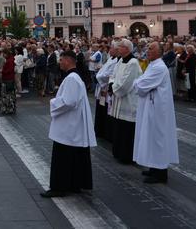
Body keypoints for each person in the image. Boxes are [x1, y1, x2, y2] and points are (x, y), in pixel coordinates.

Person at [41, 50, 96, 198]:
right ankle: (73, 184)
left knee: (63, 157)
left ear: (68, 60)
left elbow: (69, 102)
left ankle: (59, 187)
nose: (59, 63)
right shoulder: (74, 77)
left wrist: (52, 102)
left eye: (61, 60)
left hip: (68, 126)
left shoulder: (72, 78)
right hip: (72, 123)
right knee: (71, 156)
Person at [133, 42, 179, 184]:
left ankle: (160, 172)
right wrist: (139, 83)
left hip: (158, 109)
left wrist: (138, 83)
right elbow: (141, 83)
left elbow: (141, 85)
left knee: (158, 138)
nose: (148, 50)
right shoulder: (153, 65)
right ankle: (154, 167)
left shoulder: (159, 67)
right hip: (151, 106)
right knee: (151, 137)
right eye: (148, 48)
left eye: (151, 48)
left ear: (159, 52)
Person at [109, 38, 141, 164]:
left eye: (121, 46)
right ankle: (118, 152)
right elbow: (113, 75)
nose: (118, 48)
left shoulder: (133, 63)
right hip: (118, 99)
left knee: (127, 129)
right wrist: (112, 84)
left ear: (127, 49)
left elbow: (126, 83)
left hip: (127, 100)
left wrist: (114, 88)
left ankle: (127, 155)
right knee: (119, 128)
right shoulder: (121, 60)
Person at [94, 42, 118, 141]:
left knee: (106, 111)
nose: (110, 50)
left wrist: (99, 77)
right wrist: (99, 75)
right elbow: (102, 71)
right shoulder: (110, 59)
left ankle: (105, 133)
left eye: (112, 48)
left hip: (106, 87)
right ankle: (99, 131)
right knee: (100, 109)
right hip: (101, 86)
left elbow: (109, 75)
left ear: (116, 50)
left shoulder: (116, 61)